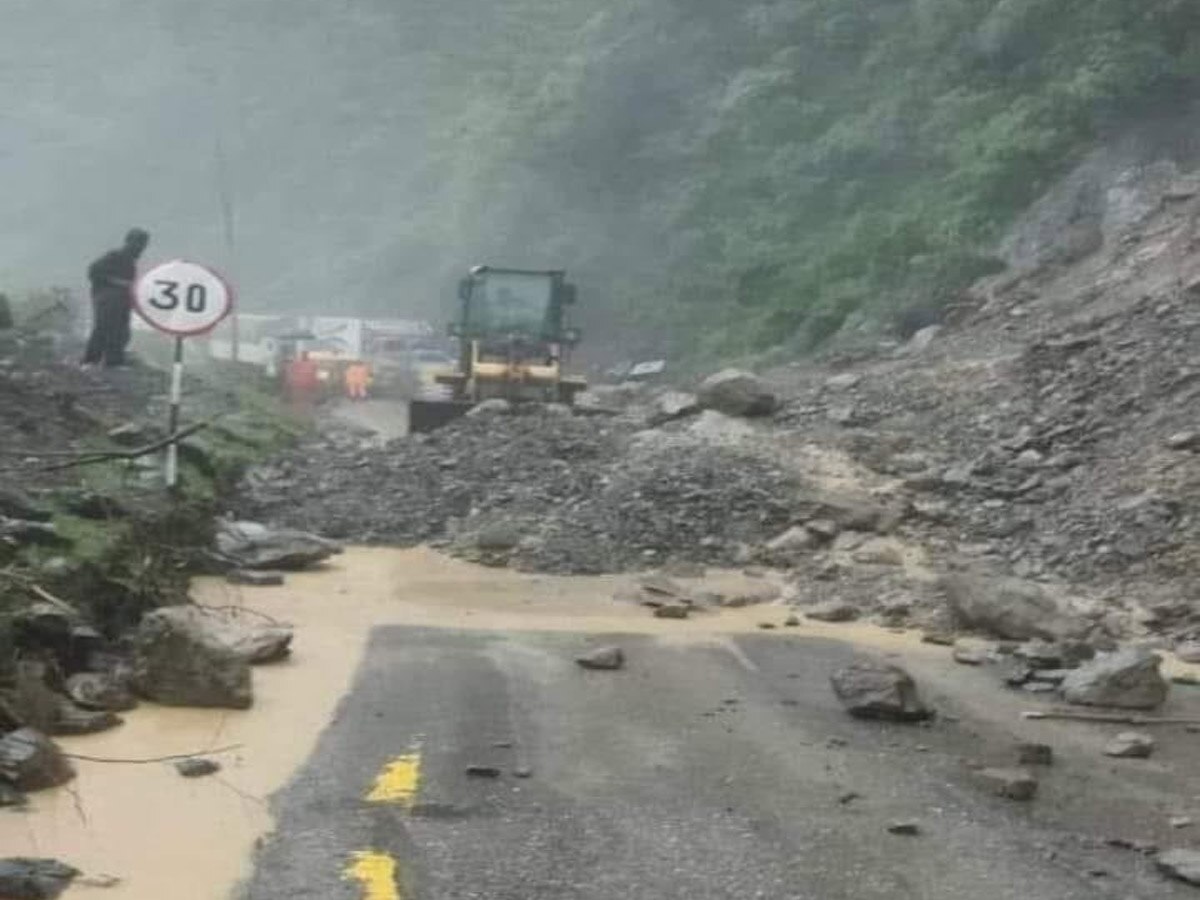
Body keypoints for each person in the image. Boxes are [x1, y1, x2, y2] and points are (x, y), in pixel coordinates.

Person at [82, 228, 150, 367]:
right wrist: (119, 283)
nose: (141, 248)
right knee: (103, 329)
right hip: (107, 298)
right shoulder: (115, 256)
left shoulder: (129, 260)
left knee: (121, 332)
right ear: (129, 242)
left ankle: (113, 362)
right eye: (139, 243)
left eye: (143, 244)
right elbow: (93, 271)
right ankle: (90, 361)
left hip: (121, 300)